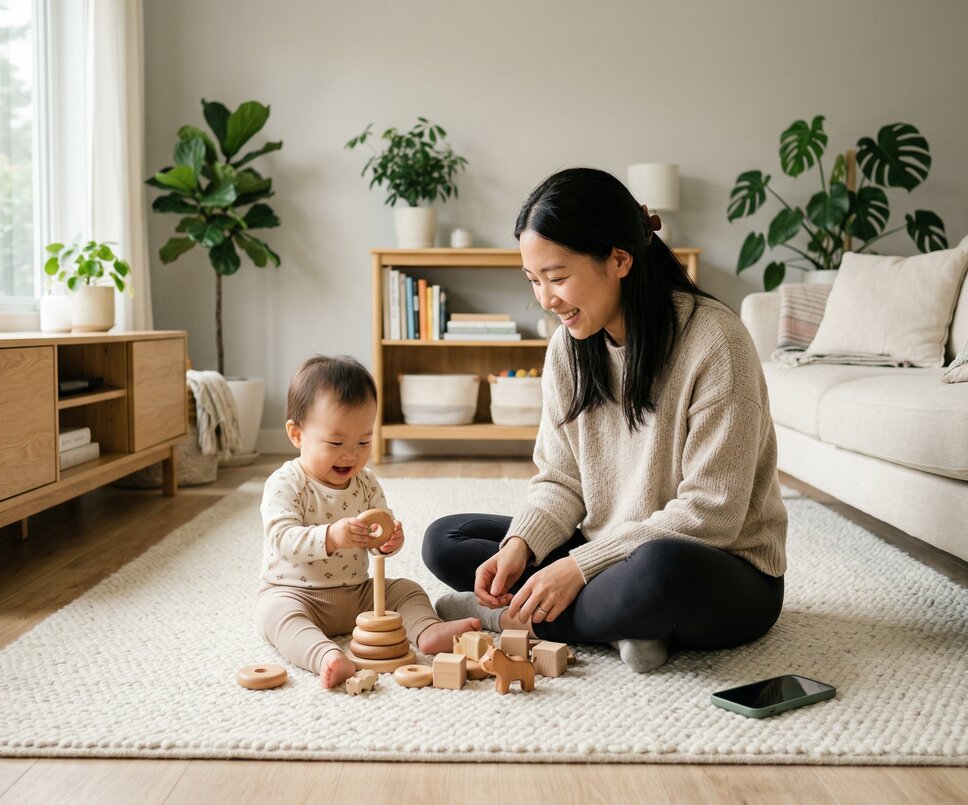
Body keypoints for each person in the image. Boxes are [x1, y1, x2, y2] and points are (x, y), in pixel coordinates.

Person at [426, 168, 788, 673]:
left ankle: (515, 618)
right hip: (611, 548)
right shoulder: (568, 350)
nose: (545, 299)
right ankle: (625, 624)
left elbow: (712, 514)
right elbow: (560, 479)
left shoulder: (715, 343)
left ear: (619, 259)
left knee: (658, 572)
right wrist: (521, 546)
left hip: (721, 568)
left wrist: (578, 567)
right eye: (533, 280)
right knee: (447, 540)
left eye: (556, 277)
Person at [256, 355, 479, 688]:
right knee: (274, 616)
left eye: (363, 441)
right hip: (297, 593)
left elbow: (378, 535)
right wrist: (332, 536)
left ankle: (427, 632)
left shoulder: (366, 483)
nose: (351, 454)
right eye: (335, 443)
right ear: (296, 434)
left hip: (359, 595)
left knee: (406, 590)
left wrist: (388, 542)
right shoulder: (286, 483)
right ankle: (325, 656)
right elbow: (282, 539)